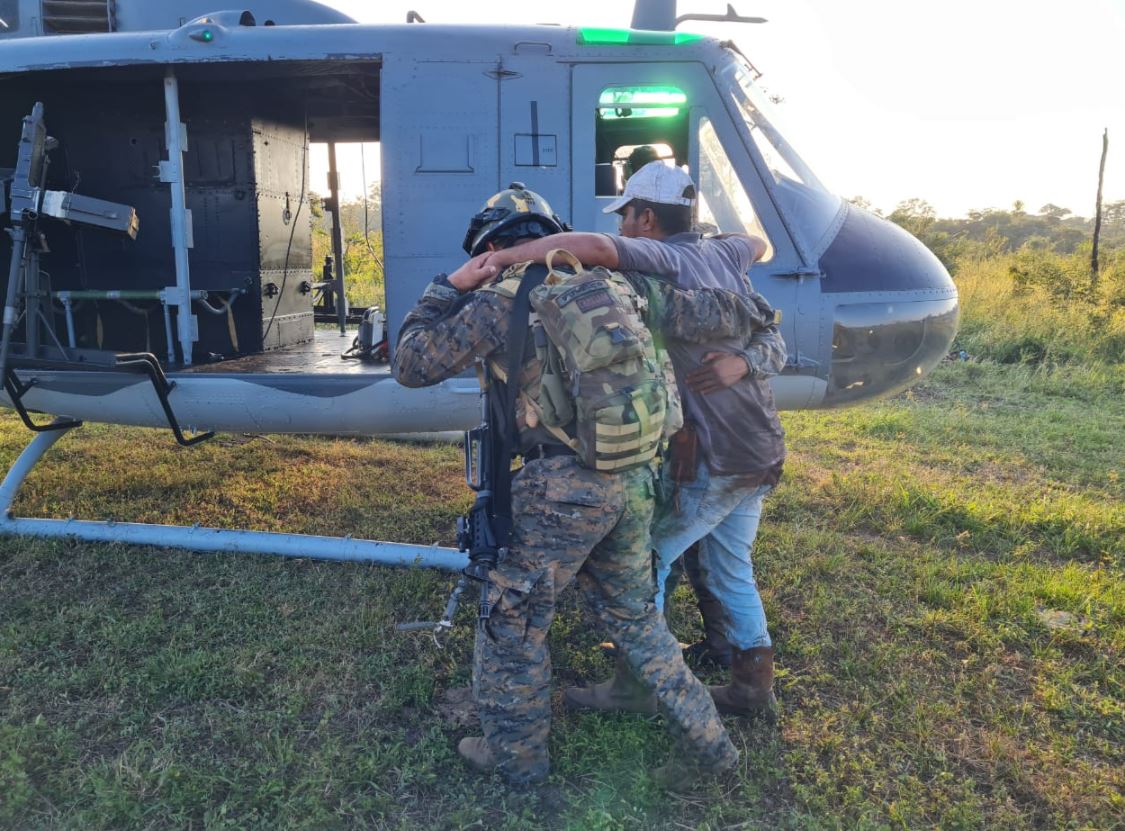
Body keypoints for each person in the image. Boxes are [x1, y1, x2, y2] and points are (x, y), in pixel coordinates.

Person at [392, 183, 776, 788]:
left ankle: (516, 761)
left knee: (514, 620)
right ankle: (712, 751)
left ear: (489, 249)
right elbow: (713, 313)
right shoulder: (624, 288)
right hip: (635, 477)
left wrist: (450, 286)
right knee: (636, 619)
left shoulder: (496, 301)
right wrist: (756, 320)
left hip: (561, 488)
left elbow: (411, 364)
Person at [480, 162, 788, 719]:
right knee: (731, 565)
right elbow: (758, 243)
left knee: (647, 561)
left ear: (647, 218)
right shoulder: (725, 252)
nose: (621, 226)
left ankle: (637, 684)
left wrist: (501, 259)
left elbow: (594, 248)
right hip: (760, 445)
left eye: (626, 215)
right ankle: (749, 684)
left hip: (716, 452)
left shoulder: (663, 258)